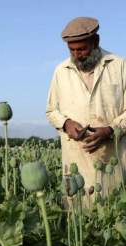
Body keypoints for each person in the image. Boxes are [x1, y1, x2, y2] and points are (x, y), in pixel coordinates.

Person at [46, 17, 126, 196]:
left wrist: (110, 130)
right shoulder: (61, 71)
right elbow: (51, 110)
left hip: (113, 158)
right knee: (79, 216)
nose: (77, 55)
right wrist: (66, 123)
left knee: (112, 212)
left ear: (96, 41)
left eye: (82, 49)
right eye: (72, 50)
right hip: (76, 161)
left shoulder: (119, 66)